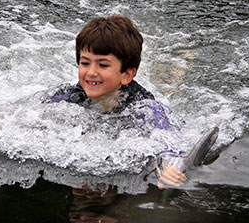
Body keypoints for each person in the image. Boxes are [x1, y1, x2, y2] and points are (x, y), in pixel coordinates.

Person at [46, 15, 187, 188]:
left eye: (102, 65)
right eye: (85, 63)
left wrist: (170, 167)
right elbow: (27, 115)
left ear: (127, 75)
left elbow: (169, 142)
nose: (91, 72)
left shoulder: (145, 108)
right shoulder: (70, 96)